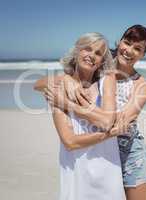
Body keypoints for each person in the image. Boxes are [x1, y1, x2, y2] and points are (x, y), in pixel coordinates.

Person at [38, 25, 146, 200]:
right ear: (120, 42)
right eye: (127, 43)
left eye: (137, 48)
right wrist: (66, 79)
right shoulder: (97, 65)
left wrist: (69, 105)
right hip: (99, 152)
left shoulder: (142, 86)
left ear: (143, 55)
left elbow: (115, 124)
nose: (129, 51)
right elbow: (40, 83)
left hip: (131, 157)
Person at [34, 32, 126, 200]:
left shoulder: (106, 82)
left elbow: (106, 121)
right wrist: (108, 134)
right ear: (76, 52)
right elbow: (69, 141)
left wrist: (69, 105)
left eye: (98, 53)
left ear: (101, 63)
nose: (92, 55)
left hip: (108, 171)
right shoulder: (59, 89)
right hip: (77, 173)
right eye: (87, 49)